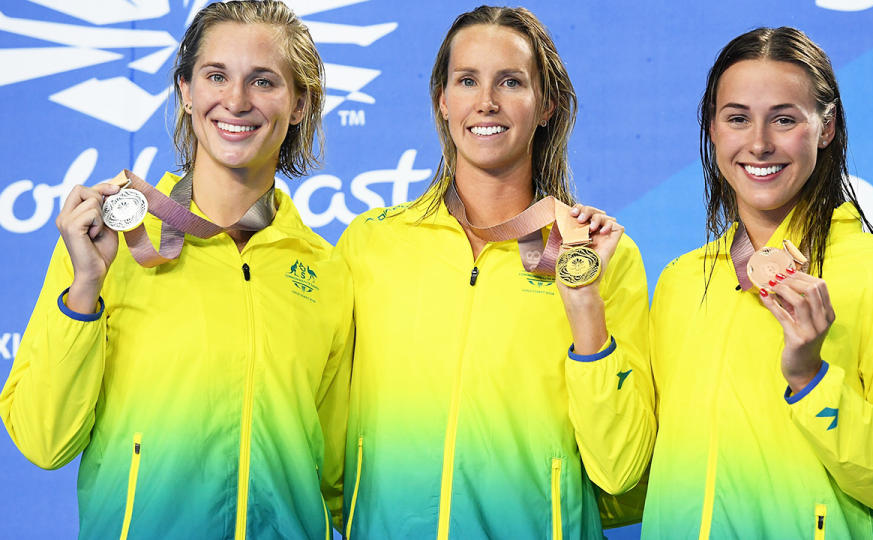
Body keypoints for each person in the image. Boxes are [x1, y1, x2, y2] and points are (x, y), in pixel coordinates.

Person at [0, 2, 353, 539]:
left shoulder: (325, 271)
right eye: (216, 76)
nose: (236, 100)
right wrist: (85, 291)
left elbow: (335, 480)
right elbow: (43, 440)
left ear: (300, 102)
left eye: (264, 81)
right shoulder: (109, 241)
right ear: (186, 92)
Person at [335, 6, 655, 539]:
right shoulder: (371, 243)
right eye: (467, 80)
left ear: (547, 105)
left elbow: (623, 473)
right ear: (443, 100)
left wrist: (583, 301)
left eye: (510, 82)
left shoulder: (601, 257)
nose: (486, 102)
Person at [642, 27, 873, 539]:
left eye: (784, 119)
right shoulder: (679, 281)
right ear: (713, 130)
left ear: (825, 128)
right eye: (737, 118)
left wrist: (811, 381)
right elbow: (637, 475)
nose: (759, 144)